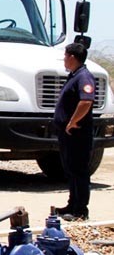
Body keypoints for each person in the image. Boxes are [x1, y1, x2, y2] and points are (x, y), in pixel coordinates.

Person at [53, 42, 96, 221]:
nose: (64, 59)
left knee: (79, 171)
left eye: (65, 56)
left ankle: (80, 210)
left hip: (78, 133)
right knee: (70, 170)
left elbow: (86, 101)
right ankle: (72, 204)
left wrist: (72, 121)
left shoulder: (84, 77)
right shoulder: (74, 76)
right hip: (68, 134)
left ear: (72, 57)